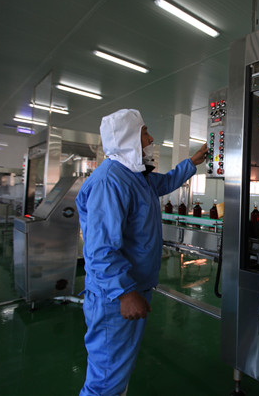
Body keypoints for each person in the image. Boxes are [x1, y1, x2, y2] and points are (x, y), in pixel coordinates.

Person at [76, 108, 208, 396]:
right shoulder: (110, 181)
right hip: (115, 296)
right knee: (106, 377)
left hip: (133, 286)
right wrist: (125, 293)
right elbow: (100, 250)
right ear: (128, 138)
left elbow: (165, 182)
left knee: (117, 371)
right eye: (145, 132)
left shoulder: (136, 175)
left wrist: (192, 162)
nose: (151, 139)